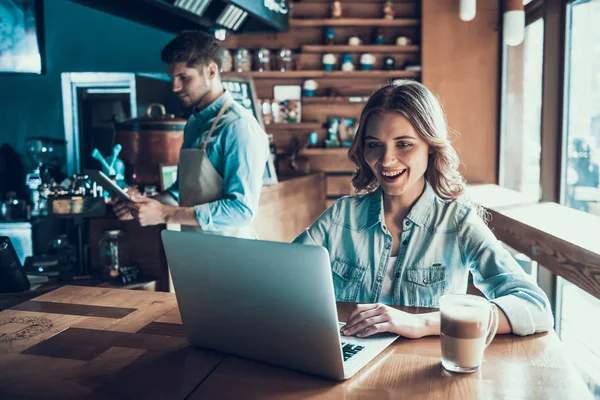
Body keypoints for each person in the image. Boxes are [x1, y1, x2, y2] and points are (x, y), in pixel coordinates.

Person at [294, 80, 554, 339]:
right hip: (351, 365)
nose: (386, 160)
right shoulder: (341, 217)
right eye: (374, 144)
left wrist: (423, 323)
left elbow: (535, 307)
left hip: (425, 368)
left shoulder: (458, 221)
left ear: (430, 147)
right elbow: (280, 281)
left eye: (404, 144)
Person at [113, 31, 269, 238]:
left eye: (184, 77)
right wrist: (145, 206)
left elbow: (242, 211)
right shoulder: (194, 122)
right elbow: (181, 193)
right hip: (198, 252)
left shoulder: (238, 126)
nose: (175, 87)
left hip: (233, 258)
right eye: (172, 78)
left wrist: (165, 214)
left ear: (211, 71)